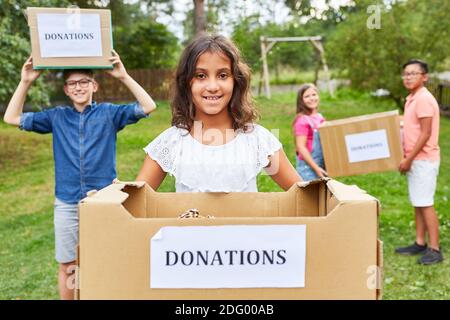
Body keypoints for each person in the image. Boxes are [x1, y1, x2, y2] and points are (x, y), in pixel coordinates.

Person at [3, 51, 157, 299]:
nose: (78, 87)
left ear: (94, 85)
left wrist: (123, 76)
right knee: (68, 265)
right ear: (65, 89)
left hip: (102, 202)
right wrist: (25, 81)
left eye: (84, 82)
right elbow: (11, 117)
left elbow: (148, 106)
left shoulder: (109, 113)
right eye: (72, 83)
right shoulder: (56, 117)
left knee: (105, 263)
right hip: (67, 203)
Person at [136, 35, 301, 192]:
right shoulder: (171, 142)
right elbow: (134, 201)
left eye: (223, 75)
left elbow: (304, 194)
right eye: (201, 76)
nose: (213, 86)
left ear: (236, 81)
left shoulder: (258, 140)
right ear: (186, 83)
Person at [395, 59, 443, 265]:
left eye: (414, 73)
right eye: (406, 74)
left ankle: (435, 249)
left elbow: (425, 133)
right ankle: (420, 241)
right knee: (418, 202)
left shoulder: (423, 98)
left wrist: (409, 159)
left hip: (423, 160)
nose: (408, 77)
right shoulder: (412, 98)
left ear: (424, 77)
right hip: (415, 159)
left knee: (425, 203)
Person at [292, 84, 327, 181]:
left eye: (314, 94)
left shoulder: (320, 117)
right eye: (307, 96)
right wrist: (316, 169)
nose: (312, 98)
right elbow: (301, 147)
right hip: (308, 169)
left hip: (322, 166)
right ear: (301, 100)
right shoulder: (302, 120)